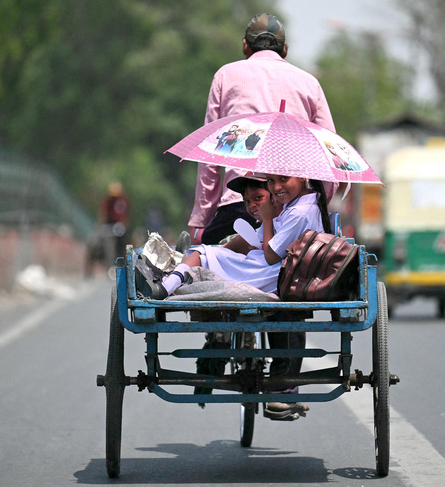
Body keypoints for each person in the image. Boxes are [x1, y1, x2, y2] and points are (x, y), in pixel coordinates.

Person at [136, 174, 331, 420]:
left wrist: (268, 218)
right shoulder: (298, 207)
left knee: (200, 253)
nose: (277, 187)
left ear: (302, 178)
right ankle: (185, 267)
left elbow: (270, 254)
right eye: (272, 181)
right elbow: (252, 242)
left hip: (268, 273)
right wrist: (220, 252)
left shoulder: (298, 212)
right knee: (204, 253)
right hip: (269, 269)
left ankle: (166, 287)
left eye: (281, 180)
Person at [188, 12, 337, 246]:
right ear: (285, 50)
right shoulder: (309, 83)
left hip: (239, 205)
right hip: (294, 209)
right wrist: (315, 207)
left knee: (205, 255)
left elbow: (210, 157)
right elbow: (330, 157)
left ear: (245, 47)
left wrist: (200, 220)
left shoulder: (225, 76)